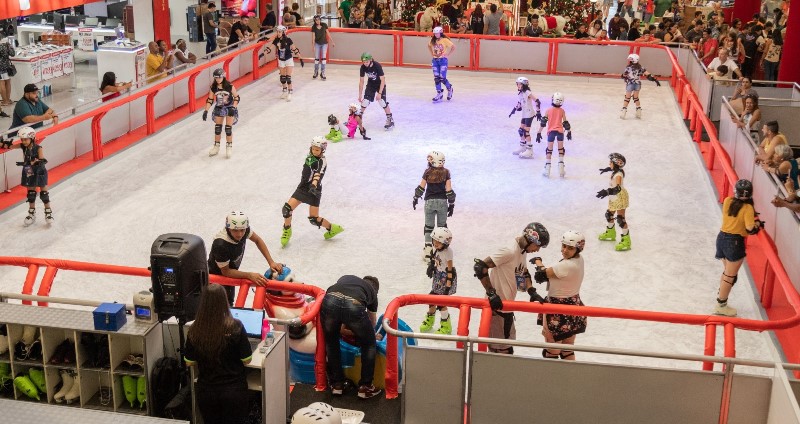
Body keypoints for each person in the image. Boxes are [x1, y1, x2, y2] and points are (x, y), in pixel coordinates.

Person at [473, 222, 549, 354]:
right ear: (530, 239)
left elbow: (523, 272)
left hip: (507, 307)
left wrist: (532, 291)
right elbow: (480, 266)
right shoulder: (509, 250)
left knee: (506, 347)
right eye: (538, 245)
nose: (537, 250)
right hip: (497, 309)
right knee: (501, 350)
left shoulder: (522, 251)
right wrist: (491, 293)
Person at [183, 284, 253, 424]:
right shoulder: (236, 326)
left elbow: (189, 362)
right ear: (224, 301)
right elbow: (247, 359)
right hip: (234, 392)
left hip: (207, 392)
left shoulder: (195, 329)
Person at [320, 275, 382, 399]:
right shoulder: (372, 294)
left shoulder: (347, 278)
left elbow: (340, 315)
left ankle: (337, 384)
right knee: (369, 344)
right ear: (375, 290)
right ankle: (365, 386)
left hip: (329, 300)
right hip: (353, 304)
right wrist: (372, 336)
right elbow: (372, 323)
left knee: (331, 342)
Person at [207, 211, 282, 306]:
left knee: (229, 304)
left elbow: (257, 240)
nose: (239, 234)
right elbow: (225, 271)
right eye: (235, 230)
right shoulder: (220, 244)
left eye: (242, 230)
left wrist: (271, 262)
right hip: (216, 280)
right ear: (228, 228)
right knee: (219, 308)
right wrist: (249, 275)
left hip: (231, 275)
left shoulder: (245, 230)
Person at [280, 137, 344, 247]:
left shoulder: (322, 162)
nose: (314, 151)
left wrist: (313, 185)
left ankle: (332, 228)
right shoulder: (310, 155)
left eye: (317, 150)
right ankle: (287, 230)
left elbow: (318, 174)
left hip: (313, 190)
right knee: (286, 209)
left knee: (314, 219)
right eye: (313, 149)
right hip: (302, 187)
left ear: (323, 150)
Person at [533, 231, 587, 360]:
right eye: (564, 246)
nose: (565, 250)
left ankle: (551, 379)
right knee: (568, 349)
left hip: (556, 309)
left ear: (578, 248)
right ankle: (569, 378)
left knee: (552, 350)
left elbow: (541, 274)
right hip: (573, 306)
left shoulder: (565, 265)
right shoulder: (579, 260)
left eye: (570, 247)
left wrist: (538, 262)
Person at [714, 179, 763, 316]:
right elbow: (749, 228)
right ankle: (721, 304)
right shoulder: (748, 208)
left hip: (722, 238)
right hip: (735, 242)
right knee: (730, 276)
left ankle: (721, 295)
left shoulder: (728, 200)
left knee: (727, 274)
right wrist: (758, 225)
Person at [0, 127, 53, 225]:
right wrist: (3, 144)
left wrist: (36, 162)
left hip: (39, 170)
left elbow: (42, 160)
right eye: (22, 139)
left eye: (25, 139)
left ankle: (48, 212)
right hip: (28, 170)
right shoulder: (23, 146)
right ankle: (31, 213)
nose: (23, 142)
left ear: (32, 138)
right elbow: (10, 146)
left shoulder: (38, 148)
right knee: (31, 194)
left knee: (44, 193)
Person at [413, 151, 456, 260]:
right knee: (442, 227)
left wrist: (416, 197)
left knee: (428, 227)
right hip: (442, 203)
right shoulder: (446, 172)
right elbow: (449, 190)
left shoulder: (427, 172)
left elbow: (421, 187)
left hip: (429, 203)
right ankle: (442, 248)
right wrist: (451, 204)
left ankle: (428, 250)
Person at [419, 227, 456, 334]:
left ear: (445, 243)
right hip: (438, 277)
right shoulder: (436, 249)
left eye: (438, 242)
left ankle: (446, 325)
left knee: (441, 302)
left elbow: (450, 270)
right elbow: (434, 258)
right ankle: (430, 320)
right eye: (434, 241)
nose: (435, 244)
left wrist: (447, 289)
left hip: (446, 279)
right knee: (431, 298)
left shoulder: (448, 252)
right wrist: (431, 266)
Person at [202, 68, 239, 158]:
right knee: (218, 128)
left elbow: (237, 97)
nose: (218, 79)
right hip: (219, 107)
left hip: (229, 107)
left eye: (219, 77)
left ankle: (229, 146)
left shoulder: (229, 86)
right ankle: (216, 147)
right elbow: (210, 99)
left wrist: (233, 108)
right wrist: (206, 110)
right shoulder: (213, 87)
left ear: (223, 76)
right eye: (216, 78)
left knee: (228, 128)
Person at [597, 153, 631, 251]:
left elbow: (618, 188)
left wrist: (606, 191)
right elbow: (614, 170)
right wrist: (607, 169)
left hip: (619, 196)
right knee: (609, 214)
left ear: (616, 164)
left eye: (610, 162)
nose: (609, 163)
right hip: (614, 197)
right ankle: (611, 233)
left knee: (620, 219)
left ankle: (626, 241)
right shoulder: (616, 171)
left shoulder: (618, 175)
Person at [536, 92, 570, 177]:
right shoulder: (562, 111)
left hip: (551, 132)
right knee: (561, 149)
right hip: (560, 132)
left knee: (549, 150)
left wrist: (539, 132)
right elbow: (565, 123)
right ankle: (561, 170)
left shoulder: (548, 110)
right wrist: (569, 132)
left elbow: (543, 123)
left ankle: (547, 170)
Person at [358, 52, 394, 130]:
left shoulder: (377, 65)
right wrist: (360, 94)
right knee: (365, 101)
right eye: (364, 62)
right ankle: (359, 117)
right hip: (371, 84)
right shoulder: (363, 67)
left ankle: (390, 119)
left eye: (366, 62)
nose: (365, 64)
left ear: (371, 60)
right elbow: (361, 81)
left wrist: (380, 93)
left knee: (382, 101)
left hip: (380, 84)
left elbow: (383, 79)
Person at [619, 53, 661, 120]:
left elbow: (624, 75)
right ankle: (639, 112)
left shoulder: (628, 67)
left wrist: (622, 76)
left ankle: (623, 112)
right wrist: (655, 80)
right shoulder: (641, 68)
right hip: (637, 84)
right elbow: (648, 74)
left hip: (630, 83)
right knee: (636, 98)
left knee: (627, 98)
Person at [511, 76, 541, 159]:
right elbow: (520, 102)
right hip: (524, 114)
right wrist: (514, 109)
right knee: (521, 130)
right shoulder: (521, 93)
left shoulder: (527, 92)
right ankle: (522, 147)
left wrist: (538, 112)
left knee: (526, 132)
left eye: (519, 84)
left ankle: (530, 150)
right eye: (517, 84)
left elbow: (537, 101)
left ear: (523, 84)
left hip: (529, 114)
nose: (517, 85)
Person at [428, 26, 455, 102]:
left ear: (440, 33)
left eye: (437, 33)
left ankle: (449, 88)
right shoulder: (433, 40)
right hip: (435, 60)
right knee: (436, 77)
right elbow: (429, 45)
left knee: (442, 77)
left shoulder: (445, 40)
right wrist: (432, 53)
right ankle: (439, 93)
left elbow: (453, 47)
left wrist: (448, 55)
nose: (436, 35)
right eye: (435, 34)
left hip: (443, 60)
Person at [273, 26, 299, 101]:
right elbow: (271, 46)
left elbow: (294, 48)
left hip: (288, 60)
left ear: (283, 32)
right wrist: (265, 52)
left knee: (288, 78)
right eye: (277, 31)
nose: (278, 33)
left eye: (279, 32)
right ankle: (284, 91)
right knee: (282, 78)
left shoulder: (288, 40)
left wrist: (299, 56)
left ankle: (290, 92)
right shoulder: (276, 40)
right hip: (281, 60)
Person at [311, 15, 335, 80]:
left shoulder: (324, 25)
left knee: (323, 58)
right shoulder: (313, 27)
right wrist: (313, 46)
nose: (318, 21)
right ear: (314, 21)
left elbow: (328, 33)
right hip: (317, 43)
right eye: (316, 20)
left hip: (324, 43)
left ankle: (323, 72)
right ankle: (316, 72)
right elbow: (313, 37)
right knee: (316, 58)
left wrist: (332, 41)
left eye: (318, 19)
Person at [0, 35, 15, 113]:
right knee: (8, 82)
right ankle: (8, 99)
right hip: (7, 65)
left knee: (1, 83)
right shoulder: (6, 44)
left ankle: (5, 101)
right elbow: (13, 54)